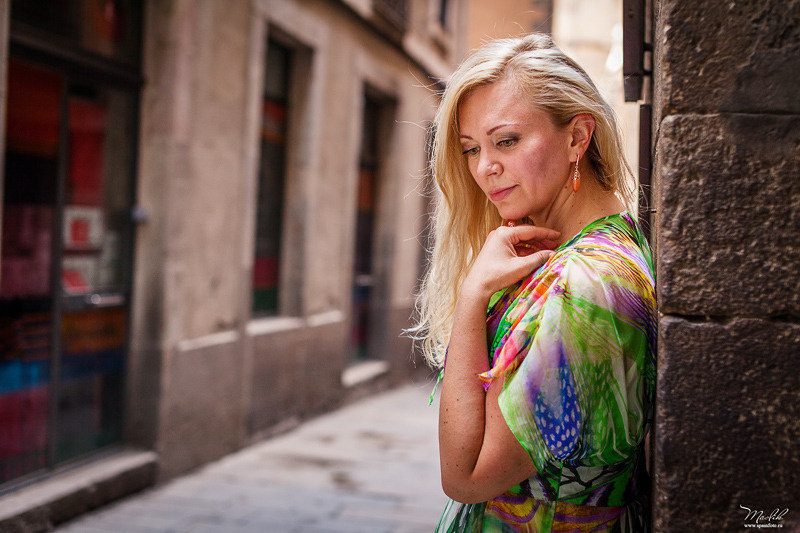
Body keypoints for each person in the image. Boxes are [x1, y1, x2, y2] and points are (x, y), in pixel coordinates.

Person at [411, 33, 656, 532]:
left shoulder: (588, 286)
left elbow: (466, 477)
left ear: (576, 137)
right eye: (471, 149)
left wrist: (471, 296)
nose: (484, 168)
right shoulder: (584, 253)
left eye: (507, 140)